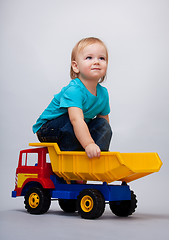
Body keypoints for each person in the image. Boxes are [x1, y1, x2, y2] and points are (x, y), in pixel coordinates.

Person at [33, 37, 112, 158]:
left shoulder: (103, 93)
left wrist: (101, 145)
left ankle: (98, 158)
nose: (96, 61)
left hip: (76, 127)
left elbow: (104, 123)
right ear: (76, 66)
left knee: (101, 124)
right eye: (89, 58)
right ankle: (73, 161)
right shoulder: (74, 90)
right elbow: (76, 120)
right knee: (71, 123)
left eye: (102, 58)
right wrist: (89, 143)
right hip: (49, 128)